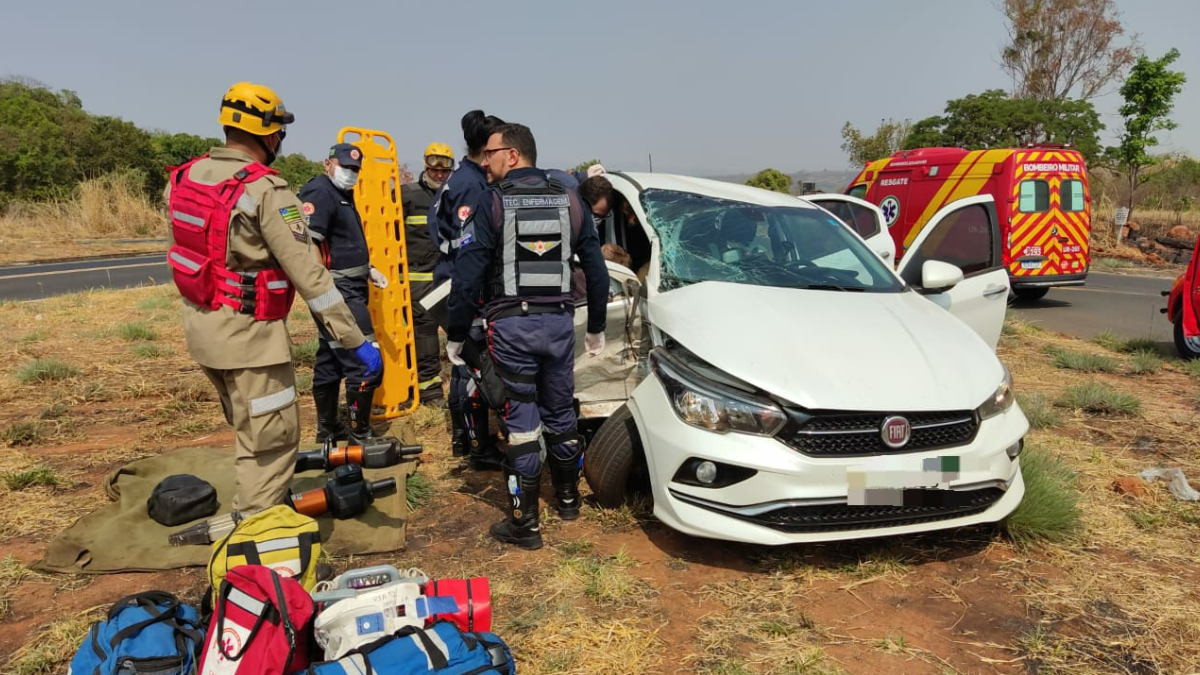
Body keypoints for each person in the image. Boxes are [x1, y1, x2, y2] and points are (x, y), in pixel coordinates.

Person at [165, 82, 381, 515]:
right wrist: (355, 341)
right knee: (271, 445)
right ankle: (258, 547)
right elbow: (311, 276)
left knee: (247, 430)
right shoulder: (266, 191)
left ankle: (260, 511)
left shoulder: (183, 179)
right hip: (252, 343)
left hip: (205, 333)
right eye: (280, 131)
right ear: (268, 133)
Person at [446, 123, 609, 550]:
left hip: (512, 327)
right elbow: (595, 268)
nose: (485, 161)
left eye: (490, 153)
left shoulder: (493, 201)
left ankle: (525, 524)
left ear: (512, 155)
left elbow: (467, 275)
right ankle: (570, 502)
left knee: (520, 424)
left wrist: (457, 335)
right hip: (559, 324)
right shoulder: (571, 199)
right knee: (560, 412)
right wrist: (595, 328)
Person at [429, 110, 508, 470]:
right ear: (487, 148)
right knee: (470, 365)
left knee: (466, 364)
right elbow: (468, 248)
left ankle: (466, 437)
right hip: (463, 282)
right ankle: (475, 444)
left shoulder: (463, 178)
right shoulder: (471, 185)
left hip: (457, 278)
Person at [299, 143, 389, 445]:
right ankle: (359, 433)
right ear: (328, 163)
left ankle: (328, 429)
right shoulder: (320, 193)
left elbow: (339, 244)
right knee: (366, 361)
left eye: (354, 170)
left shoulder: (340, 193)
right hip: (339, 293)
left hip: (350, 286)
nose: (350, 174)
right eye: (345, 167)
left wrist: (368, 268)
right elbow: (310, 246)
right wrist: (322, 294)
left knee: (330, 360)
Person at [400, 142, 455, 408]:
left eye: (444, 172)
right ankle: (429, 392)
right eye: (435, 170)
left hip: (446, 280)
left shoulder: (454, 196)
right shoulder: (407, 195)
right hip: (416, 281)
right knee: (424, 335)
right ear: (426, 167)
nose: (440, 176)